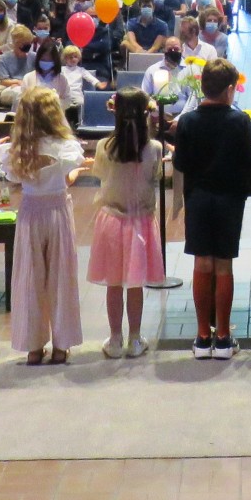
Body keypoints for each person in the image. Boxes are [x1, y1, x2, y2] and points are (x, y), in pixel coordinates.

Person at [173, 58, 251, 360]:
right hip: (229, 199)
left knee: (201, 264)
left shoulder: (187, 122)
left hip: (198, 198)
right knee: (223, 266)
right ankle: (223, 338)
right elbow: (249, 163)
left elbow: (180, 164)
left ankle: (201, 337)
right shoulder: (239, 121)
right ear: (230, 90)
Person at [0, 86, 87, 365]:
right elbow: (67, 174)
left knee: (30, 278)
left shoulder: (17, 150)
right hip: (57, 209)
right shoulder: (67, 146)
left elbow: (14, 177)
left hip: (30, 212)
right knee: (61, 277)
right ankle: (61, 345)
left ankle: (33, 347)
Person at [86, 89, 164, 358]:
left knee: (114, 282)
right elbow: (155, 176)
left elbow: (100, 175)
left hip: (111, 219)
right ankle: (135, 338)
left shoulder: (104, 146)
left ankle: (115, 338)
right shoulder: (154, 148)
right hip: (141, 221)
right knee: (135, 282)